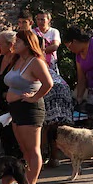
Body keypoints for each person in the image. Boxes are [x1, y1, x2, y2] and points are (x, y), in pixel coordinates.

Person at [4, 31, 54, 184]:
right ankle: (25, 180)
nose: (15, 44)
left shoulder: (35, 62)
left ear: (27, 44)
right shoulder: (17, 59)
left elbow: (48, 83)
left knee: (33, 150)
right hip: (16, 109)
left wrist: (34, 97)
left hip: (30, 109)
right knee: (24, 149)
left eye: (18, 41)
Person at [33, 11, 73, 168]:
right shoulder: (34, 33)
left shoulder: (35, 63)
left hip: (52, 86)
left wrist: (40, 50)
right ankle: (50, 156)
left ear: (49, 20)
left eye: (43, 19)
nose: (41, 21)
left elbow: (55, 45)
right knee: (51, 124)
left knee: (45, 124)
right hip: (56, 85)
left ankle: (44, 157)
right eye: (38, 19)